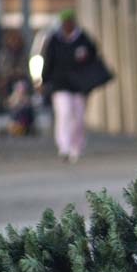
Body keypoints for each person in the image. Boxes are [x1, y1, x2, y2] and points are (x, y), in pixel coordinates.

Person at [41, 9, 113, 163]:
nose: (67, 25)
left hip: (80, 86)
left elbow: (94, 58)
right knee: (64, 114)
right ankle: (64, 148)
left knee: (78, 117)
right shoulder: (54, 40)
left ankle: (76, 146)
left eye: (70, 22)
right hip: (60, 85)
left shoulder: (83, 39)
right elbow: (47, 62)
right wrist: (44, 81)